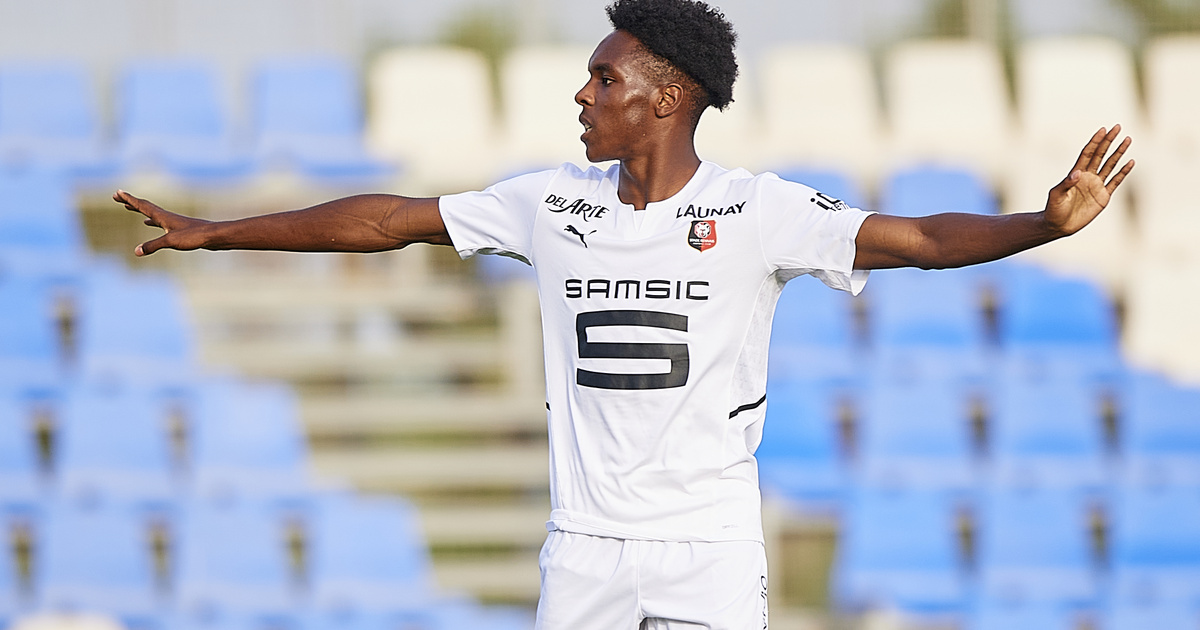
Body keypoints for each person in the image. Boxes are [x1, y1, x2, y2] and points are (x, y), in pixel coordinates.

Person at [114, 0, 1134, 627]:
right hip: (585, 550)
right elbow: (387, 220)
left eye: (604, 78)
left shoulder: (758, 211)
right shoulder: (548, 203)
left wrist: (1041, 224)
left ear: (665, 99)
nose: (583, 94)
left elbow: (919, 239)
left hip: (708, 551)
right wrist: (218, 231)